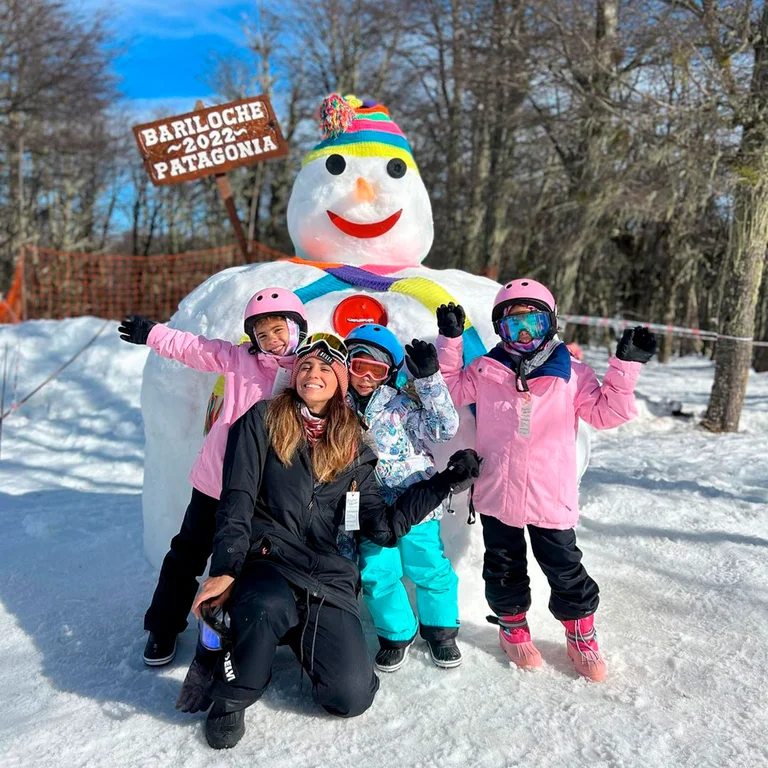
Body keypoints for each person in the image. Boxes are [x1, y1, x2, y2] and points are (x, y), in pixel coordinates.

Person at [184, 332, 480, 749]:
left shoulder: (356, 443)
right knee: (265, 606)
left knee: (351, 697)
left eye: (326, 367)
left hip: (326, 575)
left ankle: (285, 637)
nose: (313, 373)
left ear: (340, 382)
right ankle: (232, 693)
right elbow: (237, 501)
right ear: (294, 376)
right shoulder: (262, 419)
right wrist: (225, 570)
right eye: (305, 366)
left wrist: (445, 483)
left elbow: (382, 526)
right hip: (268, 560)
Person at [434, 279, 657, 682]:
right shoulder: (486, 368)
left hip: (548, 492)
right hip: (498, 490)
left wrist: (625, 368)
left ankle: (580, 632)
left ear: (550, 324)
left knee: (564, 565)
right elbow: (448, 391)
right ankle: (513, 627)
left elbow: (608, 414)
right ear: (499, 329)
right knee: (503, 564)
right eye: (512, 326)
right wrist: (450, 342)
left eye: (532, 325)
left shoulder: (571, 373)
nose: (522, 335)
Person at [117, 288, 307, 666]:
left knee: (254, 563)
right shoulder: (240, 359)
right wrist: (153, 334)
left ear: (296, 326)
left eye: (278, 329)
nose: (271, 340)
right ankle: (164, 625)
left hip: (266, 490)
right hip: (217, 479)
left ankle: (248, 633)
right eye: (262, 334)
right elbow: (195, 348)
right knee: (188, 551)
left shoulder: (308, 368)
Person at [344, 324, 462, 672]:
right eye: (357, 366)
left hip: (416, 506)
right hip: (369, 508)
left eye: (376, 370)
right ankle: (396, 633)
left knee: (428, 565)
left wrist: (430, 381)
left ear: (390, 372)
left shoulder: (402, 407)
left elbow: (445, 428)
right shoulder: (339, 410)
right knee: (377, 572)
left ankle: (441, 630)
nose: (365, 377)